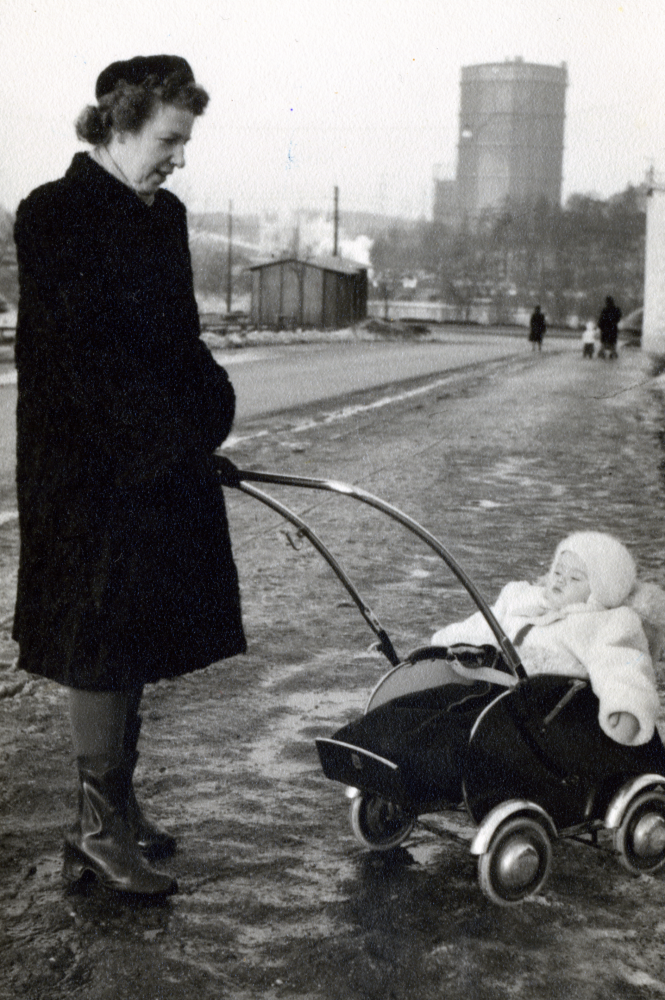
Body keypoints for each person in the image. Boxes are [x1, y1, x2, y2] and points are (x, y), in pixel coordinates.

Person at [13, 55, 246, 897]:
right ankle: (96, 830)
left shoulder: (164, 215)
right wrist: (168, 438)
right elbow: (85, 365)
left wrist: (209, 406)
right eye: (169, 139)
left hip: (152, 459)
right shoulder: (54, 216)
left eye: (184, 143)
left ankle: (118, 809)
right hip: (84, 468)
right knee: (99, 636)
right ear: (120, 123)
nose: (179, 157)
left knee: (137, 620)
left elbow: (178, 342)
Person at [430, 532, 658, 746]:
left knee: (445, 736)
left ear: (601, 591)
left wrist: (626, 708)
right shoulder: (524, 600)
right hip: (484, 684)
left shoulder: (603, 624)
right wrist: (440, 645)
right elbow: (483, 625)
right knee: (419, 710)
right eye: (557, 572)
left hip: (534, 711)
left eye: (575, 578)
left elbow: (621, 665)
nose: (560, 581)